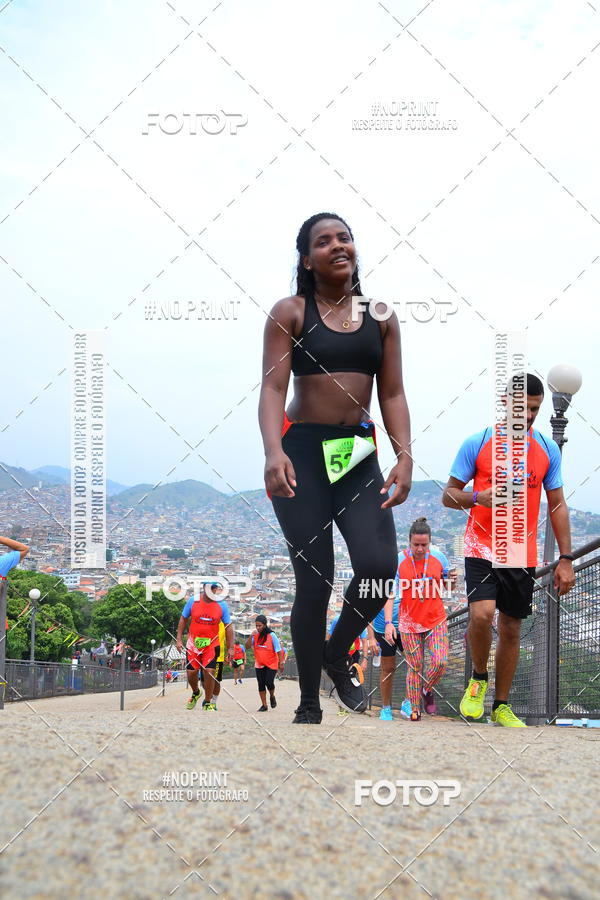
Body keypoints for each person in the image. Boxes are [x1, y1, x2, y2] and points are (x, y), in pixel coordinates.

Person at [259, 212, 411, 723]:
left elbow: (391, 392)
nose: (337, 246)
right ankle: (306, 702)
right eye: (323, 242)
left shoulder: (381, 315)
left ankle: (336, 650)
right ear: (307, 259)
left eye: (344, 238)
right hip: (301, 449)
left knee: (377, 567)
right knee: (315, 577)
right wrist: (272, 451)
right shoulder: (291, 312)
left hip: (354, 451)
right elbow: (273, 389)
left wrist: (403, 455)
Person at [442, 373, 576, 727]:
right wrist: (476, 497)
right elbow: (448, 495)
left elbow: (558, 505)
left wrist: (566, 558)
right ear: (505, 402)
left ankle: (501, 705)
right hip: (480, 545)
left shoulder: (547, 449)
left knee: (513, 627)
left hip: (520, 550)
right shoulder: (478, 442)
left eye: (534, 408)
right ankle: (478, 679)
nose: (528, 415)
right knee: (483, 614)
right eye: (522, 408)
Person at [381, 518, 453, 722]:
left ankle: (425, 689)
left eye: (424, 545)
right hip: (409, 623)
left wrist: (452, 581)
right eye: (416, 545)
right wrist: (388, 624)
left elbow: (448, 587)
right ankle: (414, 708)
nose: (420, 549)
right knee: (415, 666)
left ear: (430, 543)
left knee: (440, 661)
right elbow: (390, 593)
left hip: (435, 619)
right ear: (409, 542)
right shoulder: (399, 561)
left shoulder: (440, 558)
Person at [176, 583, 233, 711]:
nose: (211, 591)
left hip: (211, 644)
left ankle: (207, 702)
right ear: (204, 589)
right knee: (191, 672)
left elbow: (228, 627)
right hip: (193, 643)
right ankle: (196, 692)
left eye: (214, 589)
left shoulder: (222, 605)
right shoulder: (193, 601)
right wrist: (179, 639)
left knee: (209, 672)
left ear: (216, 590)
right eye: (208, 588)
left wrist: (230, 648)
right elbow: (183, 619)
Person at [327, 614, 368, 715]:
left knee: (352, 679)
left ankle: (350, 703)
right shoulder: (337, 619)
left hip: (354, 654)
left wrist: (365, 659)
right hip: (340, 654)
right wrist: (327, 654)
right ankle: (342, 706)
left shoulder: (361, 620)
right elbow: (329, 637)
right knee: (340, 679)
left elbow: (364, 641)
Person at [246, 616, 285, 711]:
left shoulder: (272, 635)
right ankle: (264, 705)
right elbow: (247, 646)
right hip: (259, 663)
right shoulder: (255, 635)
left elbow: (279, 650)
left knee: (269, 682)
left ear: (264, 625)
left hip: (271, 663)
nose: (258, 627)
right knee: (261, 684)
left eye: (260, 625)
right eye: (256, 626)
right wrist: (251, 635)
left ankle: (272, 696)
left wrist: (281, 663)